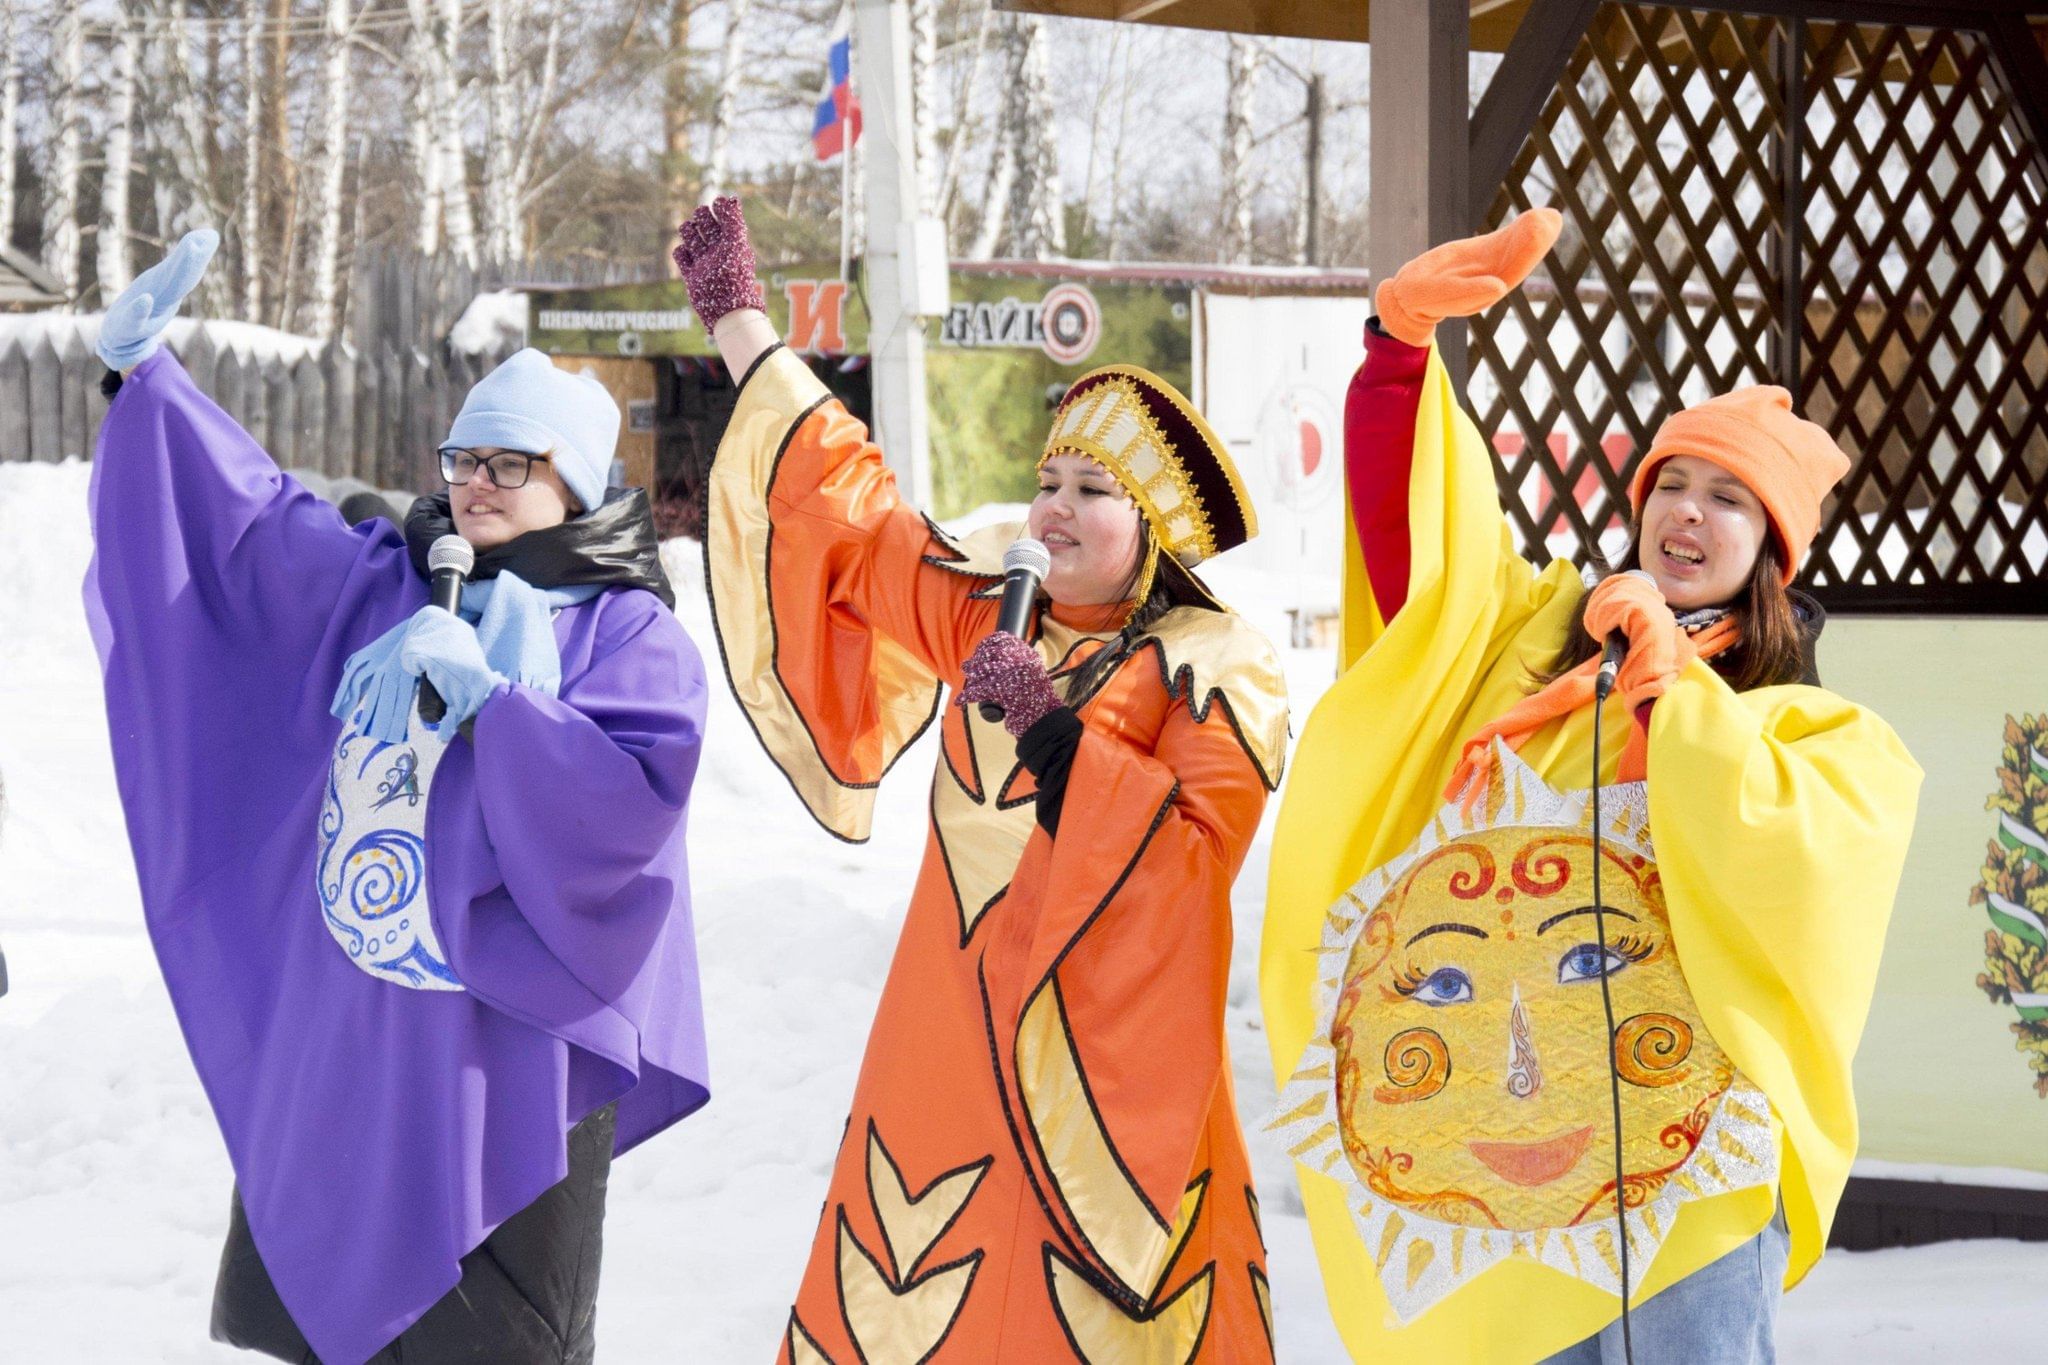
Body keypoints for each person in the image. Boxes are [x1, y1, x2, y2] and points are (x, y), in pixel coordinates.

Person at [1260, 210, 1923, 1363]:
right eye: (1674, 483)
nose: (1688, 513)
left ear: (1770, 551)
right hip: (1500, 1181)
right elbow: (1416, 564)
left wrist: (1676, 700)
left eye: (1728, 499)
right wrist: (1399, 357)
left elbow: (1801, 868)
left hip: (1686, 1203)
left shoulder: (1812, 733)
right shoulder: (1531, 646)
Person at [673, 197, 1287, 1362]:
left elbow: (1193, 870)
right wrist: (741, 323)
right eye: (1047, 480)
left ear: (1151, 525)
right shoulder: (989, 619)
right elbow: (854, 518)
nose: (1051, 507)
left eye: (1090, 491)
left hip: (1102, 1081)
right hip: (945, 1052)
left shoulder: (1213, 665)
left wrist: (1056, 737)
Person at [84, 230, 712, 1364]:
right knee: (351, 1317)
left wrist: (501, 710)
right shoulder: (393, 580)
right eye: (460, 459)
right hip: (370, 1025)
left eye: (506, 464)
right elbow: (255, 534)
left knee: (494, 1335)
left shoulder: (631, 634)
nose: (471, 483)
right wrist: (147, 383)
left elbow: (627, 815)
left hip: (512, 1043)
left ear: (571, 480)